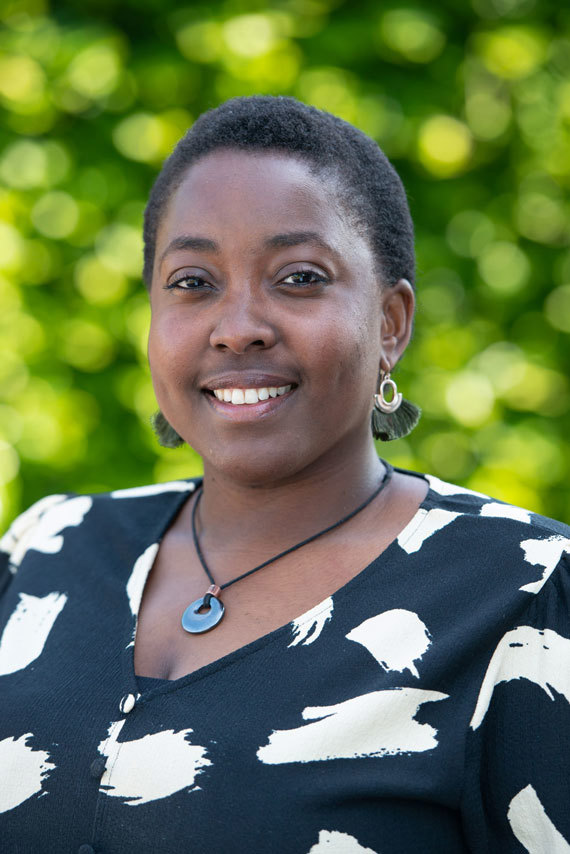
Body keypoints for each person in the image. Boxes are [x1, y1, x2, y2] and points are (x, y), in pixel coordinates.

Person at [0, 96, 568, 854]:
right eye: (192, 282)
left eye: (299, 277)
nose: (238, 328)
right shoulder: (50, 545)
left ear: (391, 323)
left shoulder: (523, 590)